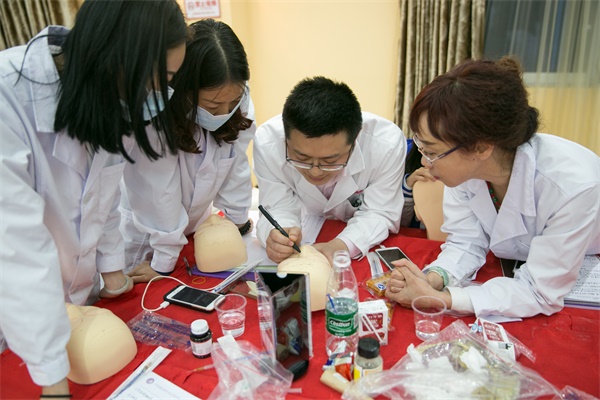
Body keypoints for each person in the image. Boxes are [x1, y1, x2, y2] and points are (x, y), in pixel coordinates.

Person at [0, 0, 187, 397]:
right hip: (15, 317)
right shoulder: (7, 97)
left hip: (79, 305)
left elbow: (103, 196)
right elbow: (15, 246)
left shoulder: (109, 97)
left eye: (167, 82)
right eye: (155, 80)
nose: (156, 95)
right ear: (116, 56)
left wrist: (113, 269)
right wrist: (53, 383)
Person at [385, 56, 600, 318]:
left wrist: (443, 299)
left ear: (481, 148)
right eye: (421, 147)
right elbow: (466, 241)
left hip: (581, 259)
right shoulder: (464, 170)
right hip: (517, 261)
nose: (424, 162)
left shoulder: (572, 187)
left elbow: (540, 292)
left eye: (431, 151)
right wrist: (433, 278)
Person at [121, 19, 256, 283]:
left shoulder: (237, 103)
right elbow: (159, 195)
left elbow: (236, 163)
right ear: (184, 90)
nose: (224, 113)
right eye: (213, 106)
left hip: (194, 230)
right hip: (147, 235)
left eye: (233, 102)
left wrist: (238, 222)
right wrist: (163, 262)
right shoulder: (154, 120)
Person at [253, 76, 406, 264]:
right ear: (285, 139)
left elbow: (380, 212)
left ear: (355, 139)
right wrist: (280, 234)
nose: (315, 172)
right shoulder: (267, 143)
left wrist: (340, 246)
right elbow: (277, 205)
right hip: (308, 227)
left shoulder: (386, 145)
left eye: (330, 160)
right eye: (302, 158)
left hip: (358, 235)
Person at [400, 142, 435, 228]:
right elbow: (399, 222)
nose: (423, 162)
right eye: (422, 151)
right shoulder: (405, 154)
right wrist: (408, 186)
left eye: (431, 153)